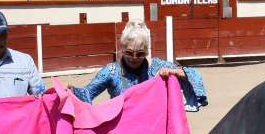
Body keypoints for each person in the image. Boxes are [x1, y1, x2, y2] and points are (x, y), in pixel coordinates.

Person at [73, 20, 207, 110]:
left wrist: (176, 72)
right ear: (122, 49)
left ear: (147, 51)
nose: (134, 58)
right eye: (129, 53)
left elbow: (195, 75)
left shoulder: (157, 66)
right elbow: (86, 93)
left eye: (140, 53)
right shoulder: (111, 71)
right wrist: (70, 92)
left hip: (152, 129)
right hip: (122, 131)